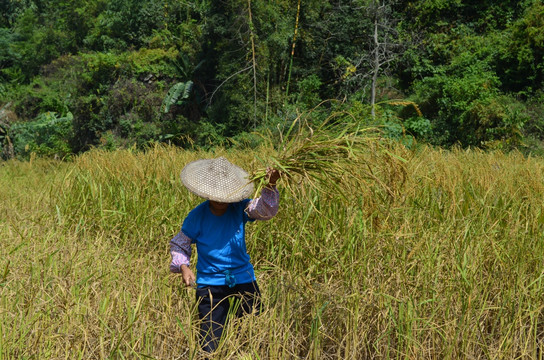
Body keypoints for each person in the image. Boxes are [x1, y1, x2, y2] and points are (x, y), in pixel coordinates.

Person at [169, 157, 280, 353]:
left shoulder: (240, 208)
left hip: (243, 279)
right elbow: (180, 244)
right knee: (209, 342)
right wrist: (184, 267)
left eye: (225, 196)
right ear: (207, 193)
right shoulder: (197, 216)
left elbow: (265, 210)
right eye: (216, 196)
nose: (220, 200)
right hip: (210, 285)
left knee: (251, 336)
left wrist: (271, 183)